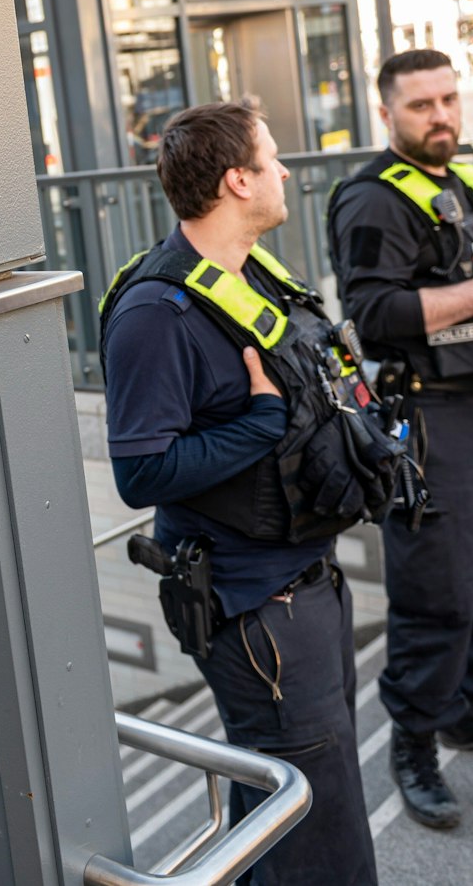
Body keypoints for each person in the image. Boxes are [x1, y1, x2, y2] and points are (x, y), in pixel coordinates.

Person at [101, 101, 403, 886]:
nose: (285, 172)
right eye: (272, 160)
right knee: (313, 820)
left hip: (306, 581)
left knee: (288, 811)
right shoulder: (155, 313)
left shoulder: (252, 270)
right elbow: (141, 472)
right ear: (238, 179)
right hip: (254, 607)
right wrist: (262, 419)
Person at [327, 49, 473, 830]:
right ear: (387, 112)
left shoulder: (469, 177)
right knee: (440, 590)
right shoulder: (371, 199)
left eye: (448, 99)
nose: (441, 115)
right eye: (422, 104)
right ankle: (416, 741)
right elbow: (374, 317)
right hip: (429, 414)